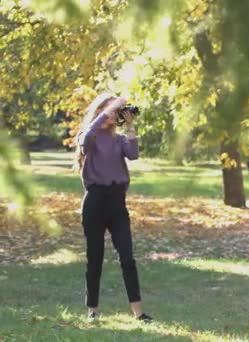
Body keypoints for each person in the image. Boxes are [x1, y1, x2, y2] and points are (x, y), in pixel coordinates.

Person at [75, 93, 152, 323]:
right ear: (100, 111)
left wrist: (129, 126)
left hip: (117, 202)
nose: (113, 114)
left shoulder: (119, 140)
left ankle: (139, 313)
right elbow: (84, 141)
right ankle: (93, 311)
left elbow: (134, 154)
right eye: (110, 109)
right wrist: (102, 116)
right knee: (95, 258)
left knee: (127, 258)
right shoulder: (88, 135)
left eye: (116, 110)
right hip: (95, 201)